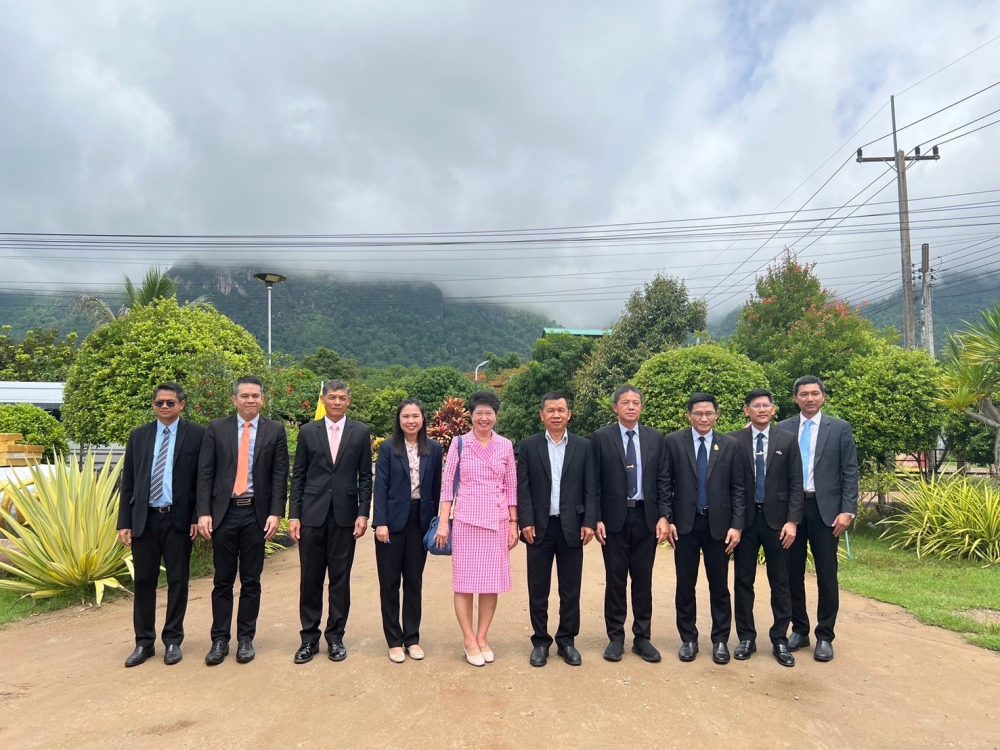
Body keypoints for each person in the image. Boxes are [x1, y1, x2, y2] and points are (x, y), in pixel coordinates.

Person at [197, 377, 288, 666]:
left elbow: (279, 474)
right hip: (223, 514)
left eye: (255, 396)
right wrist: (204, 512)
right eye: (245, 396)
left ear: (263, 399)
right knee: (222, 580)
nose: (251, 400)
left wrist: (276, 512)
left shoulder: (275, 430)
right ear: (234, 400)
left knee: (251, 580)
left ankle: (246, 638)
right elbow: (206, 473)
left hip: (255, 515)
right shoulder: (217, 428)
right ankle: (220, 639)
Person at [117, 383, 205, 667]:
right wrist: (124, 522)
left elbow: (202, 481)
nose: (164, 407)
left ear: (182, 405)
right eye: (159, 403)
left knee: (178, 580)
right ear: (153, 405)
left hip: (179, 520)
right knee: (144, 581)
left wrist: (197, 516)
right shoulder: (139, 436)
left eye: (170, 402)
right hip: (145, 519)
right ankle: (144, 642)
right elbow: (129, 481)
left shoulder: (197, 435)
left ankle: (172, 640)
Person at [289, 380, 373, 664]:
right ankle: (308, 639)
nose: (337, 402)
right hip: (311, 515)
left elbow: (365, 476)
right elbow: (298, 475)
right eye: (332, 397)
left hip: (345, 517)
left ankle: (335, 637)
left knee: (340, 580)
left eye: (342, 398)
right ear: (323, 400)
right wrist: (294, 515)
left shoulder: (360, 432)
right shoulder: (308, 431)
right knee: (310, 579)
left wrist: (363, 513)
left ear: (349, 401)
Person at [777, 376, 859, 662]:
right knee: (792, 572)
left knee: (826, 573)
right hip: (792, 511)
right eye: (804, 394)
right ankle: (799, 629)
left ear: (823, 397)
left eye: (815, 393)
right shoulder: (783, 428)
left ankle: (825, 635)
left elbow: (850, 471)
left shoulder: (839, 428)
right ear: (795, 398)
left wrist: (848, 510)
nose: (809, 398)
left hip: (826, 511)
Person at [434, 391, 518, 667]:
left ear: (496, 416)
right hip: (466, 521)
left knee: (491, 584)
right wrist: (444, 523)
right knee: (465, 583)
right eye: (479, 413)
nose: (484, 418)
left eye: (489, 413)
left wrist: (513, 523)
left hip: (497, 522)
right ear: (471, 416)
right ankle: (469, 639)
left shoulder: (505, 445)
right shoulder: (459, 444)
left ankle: (482, 637)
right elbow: (447, 486)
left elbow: (512, 486)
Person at [662, 393, 745, 665]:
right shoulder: (673, 442)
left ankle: (720, 640)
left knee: (719, 586)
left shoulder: (730, 445)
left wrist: (736, 525)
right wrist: (667, 517)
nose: (704, 418)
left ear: (717, 415)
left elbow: (738, 489)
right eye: (698, 413)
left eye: (709, 413)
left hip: (718, 526)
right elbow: (665, 482)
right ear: (689, 415)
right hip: (684, 525)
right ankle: (688, 638)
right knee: (685, 584)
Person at [590, 385, 671, 664]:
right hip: (613, 519)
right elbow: (594, 482)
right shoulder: (601, 437)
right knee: (615, 579)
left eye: (636, 402)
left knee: (642, 579)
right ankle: (615, 637)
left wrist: (664, 516)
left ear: (642, 407)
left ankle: (642, 637)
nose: (631, 407)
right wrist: (596, 518)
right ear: (615, 407)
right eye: (625, 402)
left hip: (646, 518)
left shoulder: (655, 438)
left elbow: (663, 479)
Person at [516, 392, 598, 667]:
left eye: (561, 410)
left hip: (572, 526)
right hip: (538, 528)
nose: (556, 415)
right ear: (542, 415)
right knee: (538, 588)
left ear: (569, 414)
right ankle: (540, 641)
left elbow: (591, 487)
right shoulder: (529, 446)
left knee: (570, 588)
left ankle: (567, 641)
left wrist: (589, 521)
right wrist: (525, 521)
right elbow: (523, 487)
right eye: (550, 410)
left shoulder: (584, 446)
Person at [728, 389, 803, 667]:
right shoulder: (734, 440)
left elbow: (796, 482)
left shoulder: (787, 439)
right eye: (756, 406)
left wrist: (792, 521)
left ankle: (780, 638)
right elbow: (730, 485)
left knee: (780, 581)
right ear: (746, 410)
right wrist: (734, 523)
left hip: (778, 522)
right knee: (743, 580)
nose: (761, 410)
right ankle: (746, 637)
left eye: (766, 405)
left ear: (773, 410)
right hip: (746, 521)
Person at [372, 398, 442, 663]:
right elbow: (381, 486)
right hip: (391, 523)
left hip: (419, 521)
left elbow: (436, 489)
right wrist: (380, 522)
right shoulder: (388, 448)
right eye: (406, 416)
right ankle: (394, 640)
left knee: (414, 581)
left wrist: (435, 522)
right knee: (389, 583)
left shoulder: (434, 449)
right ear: (399, 420)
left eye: (415, 416)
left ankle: (412, 638)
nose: (411, 421)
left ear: (423, 419)